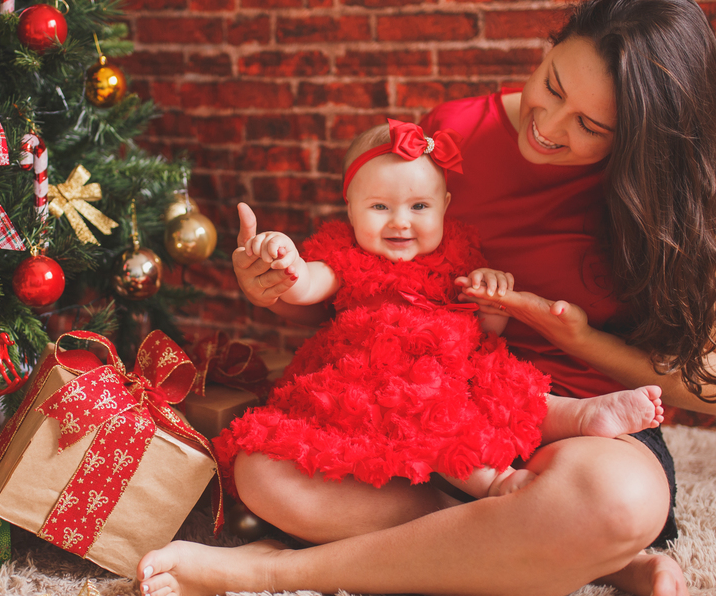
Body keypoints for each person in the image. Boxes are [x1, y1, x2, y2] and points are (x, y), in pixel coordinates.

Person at [137, 0, 716, 596]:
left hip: (571, 425)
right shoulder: (450, 135)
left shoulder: (678, 200)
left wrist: (571, 333)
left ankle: (268, 570)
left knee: (617, 502)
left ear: (646, 143)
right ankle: (590, 558)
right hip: (419, 414)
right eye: (553, 83)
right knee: (266, 474)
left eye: (592, 127)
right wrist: (274, 286)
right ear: (549, 47)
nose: (550, 124)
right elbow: (369, 290)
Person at [222, 119, 664, 501]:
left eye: (419, 207)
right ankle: (492, 484)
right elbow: (309, 284)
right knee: (423, 408)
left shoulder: (458, 253)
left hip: (458, 363)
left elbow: (487, 327)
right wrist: (284, 260)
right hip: (379, 376)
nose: (400, 221)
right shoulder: (344, 253)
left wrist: (492, 299)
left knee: (508, 386)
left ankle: (584, 415)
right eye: (379, 207)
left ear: (445, 208)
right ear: (350, 209)